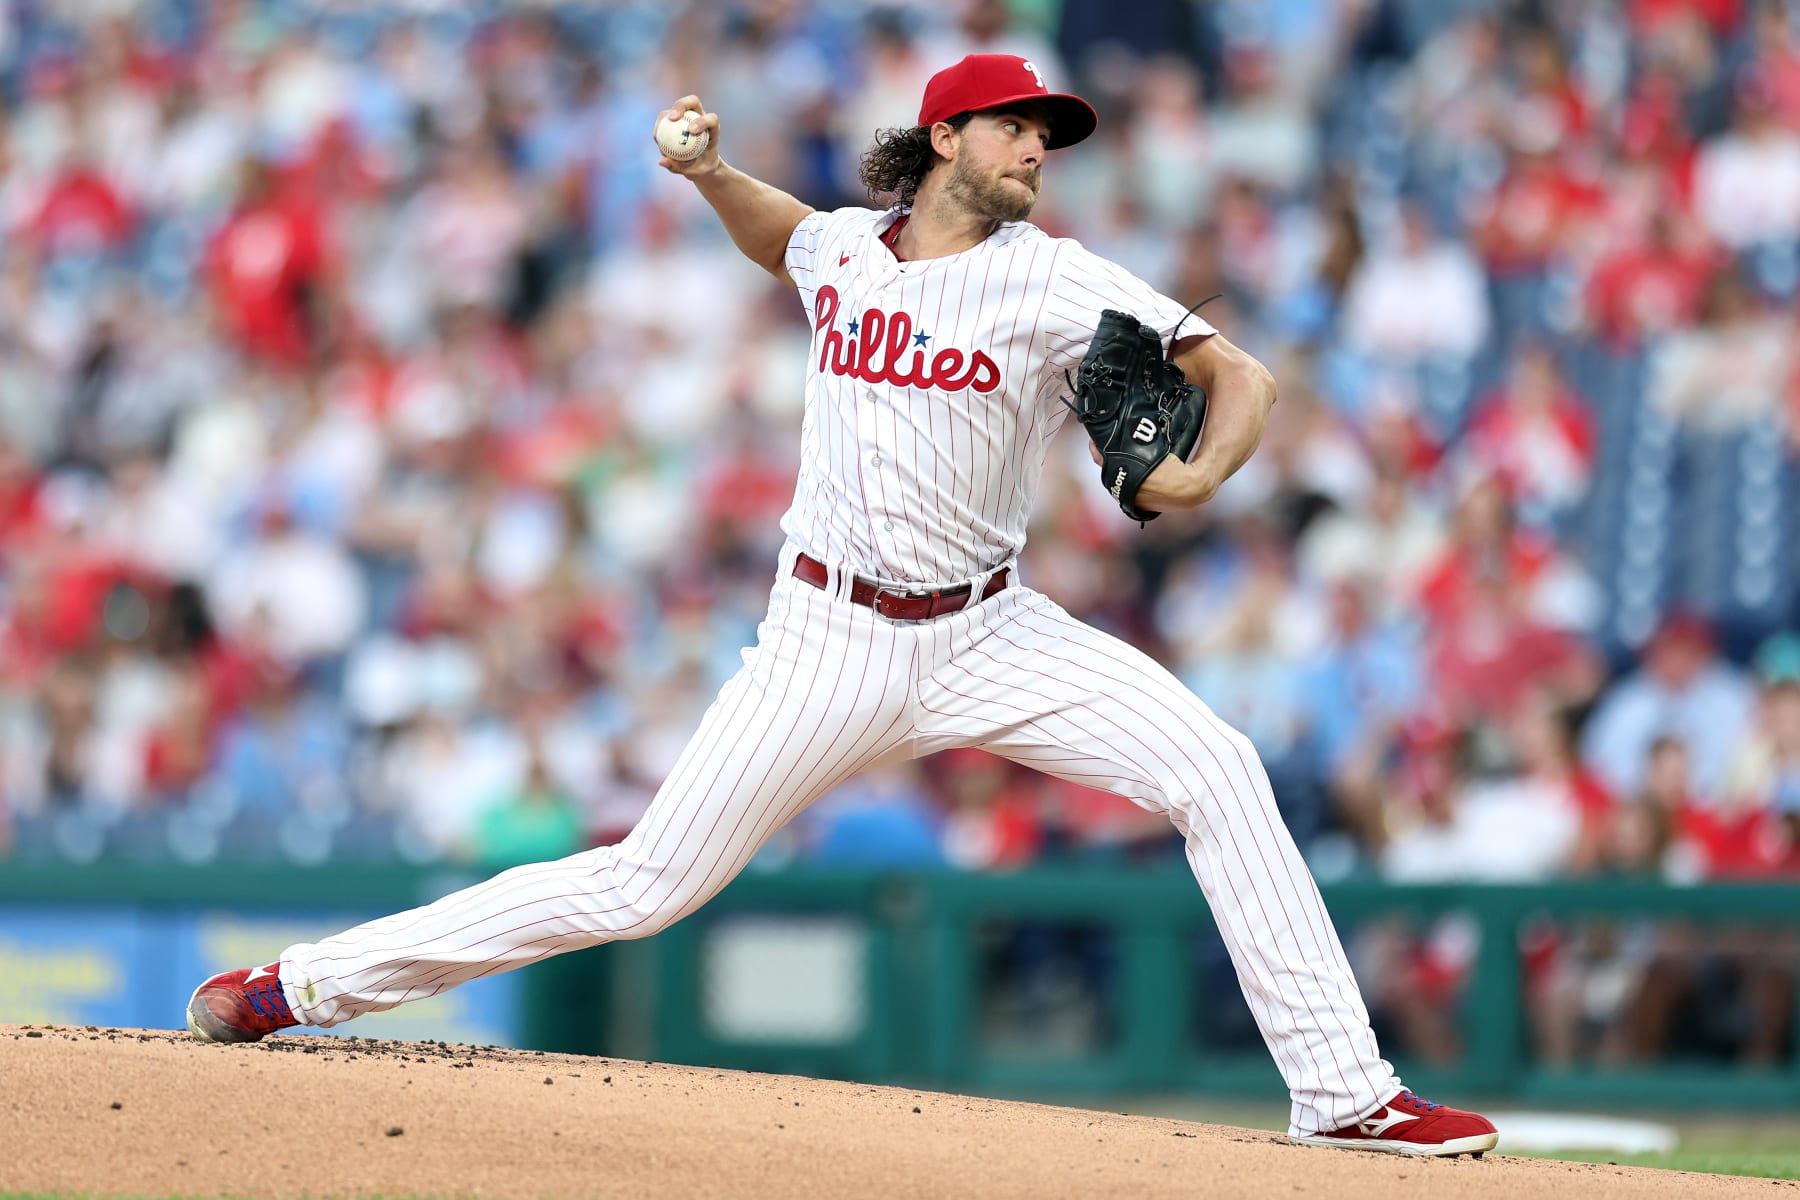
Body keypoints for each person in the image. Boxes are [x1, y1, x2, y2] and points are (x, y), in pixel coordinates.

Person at [185, 55, 1497, 1158]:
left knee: (1217, 767)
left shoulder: (1054, 277)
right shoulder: (844, 251)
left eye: (1048, 135)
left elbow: (1240, 374)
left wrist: (1200, 477)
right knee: (643, 883)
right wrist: (710, 174)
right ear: (947, 137)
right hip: (827, 639)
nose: (1038, 149)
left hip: (993, 631)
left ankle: (1344, 1096)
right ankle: (300, 986)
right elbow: (785, 236)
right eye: (1017, 126)